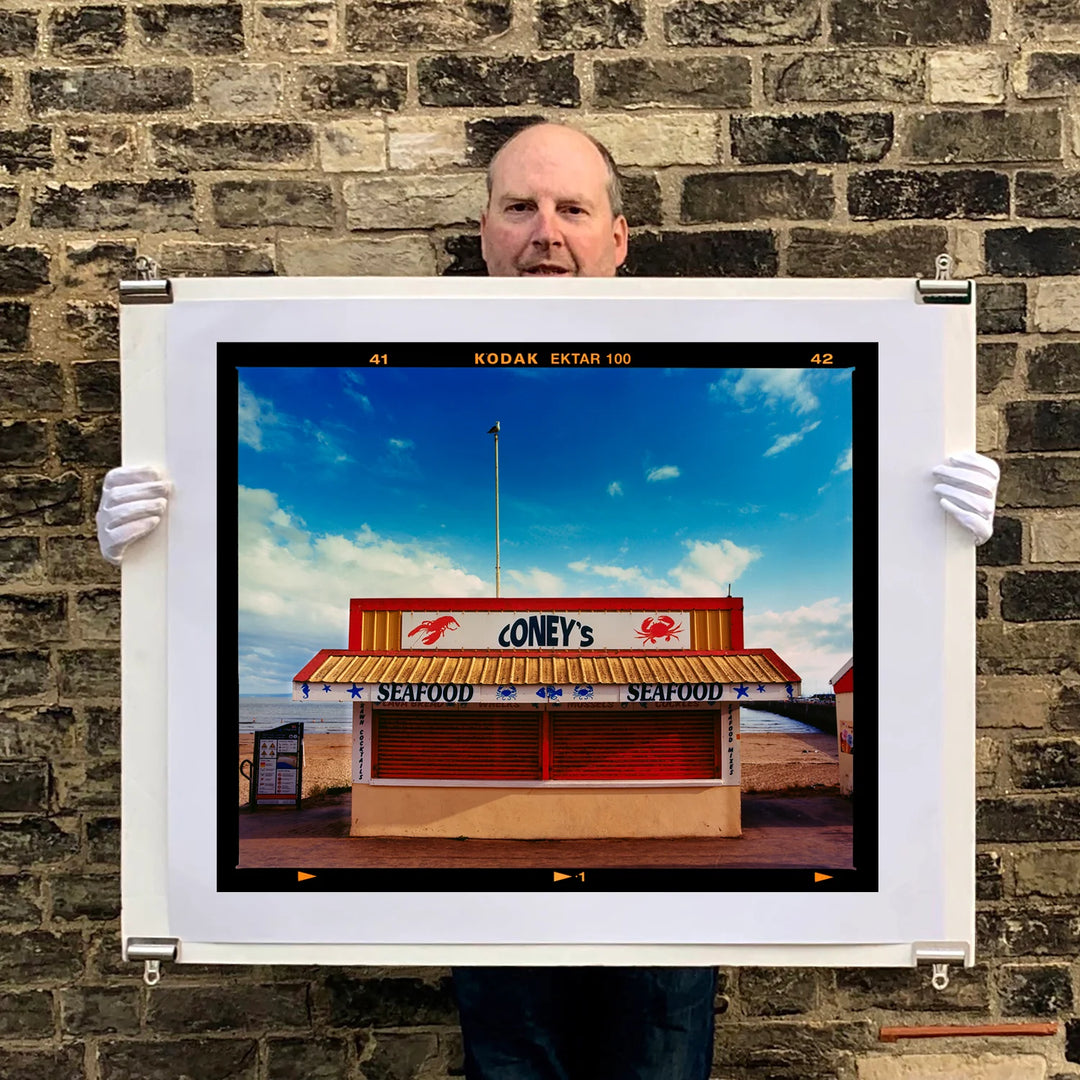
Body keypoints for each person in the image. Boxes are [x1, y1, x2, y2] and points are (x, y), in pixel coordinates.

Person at [97, 121, 1000, 1079]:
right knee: (511, 1058)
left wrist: (928, 540)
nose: (546, 232)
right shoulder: (385, 346)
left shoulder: (722, 348)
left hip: (674, 921)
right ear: (483, 230)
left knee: (660, 1058)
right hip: (488, 908)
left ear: (619, 236)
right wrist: (163, 556)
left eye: (573, 208)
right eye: (520, 207)